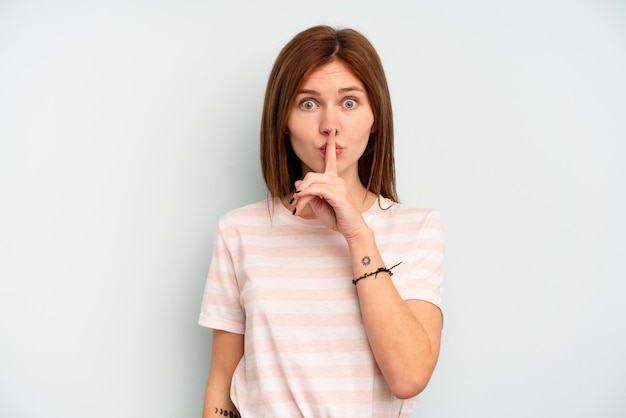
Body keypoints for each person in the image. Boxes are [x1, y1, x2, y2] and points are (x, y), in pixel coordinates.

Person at [199, 25, 444, 418]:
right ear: (283, 119)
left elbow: (409, 377)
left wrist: (356, 233)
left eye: (349, 103)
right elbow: (221, 384)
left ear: (374, 117)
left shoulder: (418, 228)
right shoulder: (237, 232)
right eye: (308, 104)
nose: (330, 125)